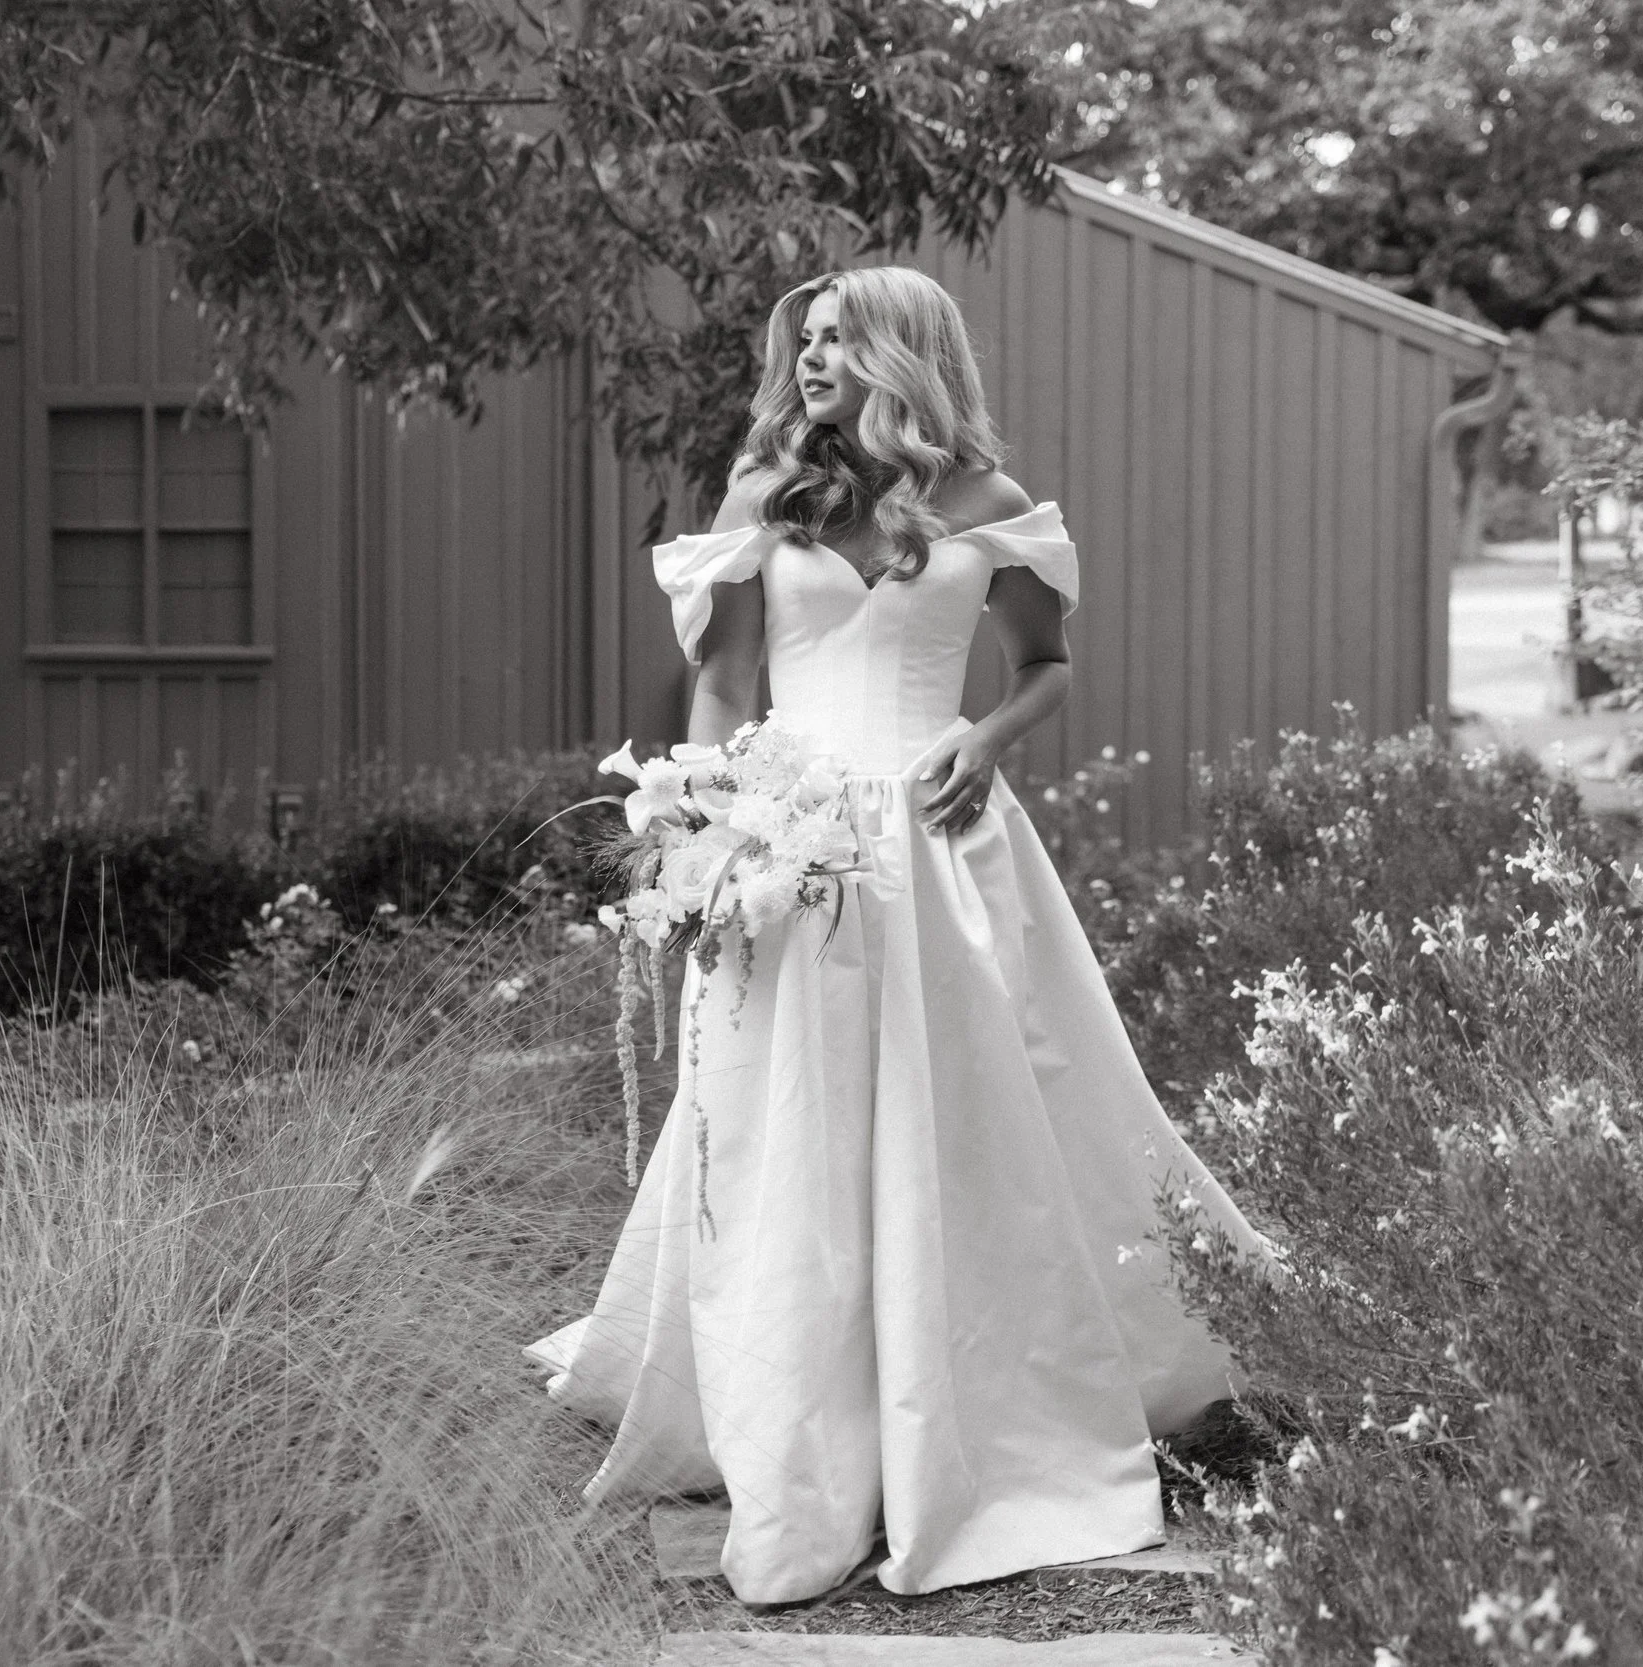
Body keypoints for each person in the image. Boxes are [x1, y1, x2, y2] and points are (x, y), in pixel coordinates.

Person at [525, 265, 1277, 1605]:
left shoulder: (987, 504)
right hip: (794, 849)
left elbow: (1044, 667)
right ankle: (803, 1426)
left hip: (944, 851)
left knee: (969, 1120)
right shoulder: (767, 496)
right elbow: (725, 685)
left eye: (837, 339)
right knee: (789, 1123)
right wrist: (714, 824)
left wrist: (985, 741)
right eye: (804, 341)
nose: (810, 360)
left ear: (904, 352)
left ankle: (971, 1403)